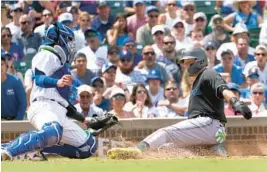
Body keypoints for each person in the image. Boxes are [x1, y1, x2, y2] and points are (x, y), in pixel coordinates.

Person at [108, 47, 252, 158]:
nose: (186, 66)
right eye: (185, 63)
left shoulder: (208, 74)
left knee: (164, 133)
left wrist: (236, 102)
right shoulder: (197, 81)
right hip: (211, 130)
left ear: (199, 60)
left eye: (189, 62)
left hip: (209, 123)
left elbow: (223, 89)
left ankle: (137, 151)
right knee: (168, 148)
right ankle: (218, 149)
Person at [1, 22, 100, 160]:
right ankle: (7, 150)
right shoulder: (46, 54)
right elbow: (40, 78)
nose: (71, 45)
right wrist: (57, 82)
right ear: (59, 39)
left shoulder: (61, 64)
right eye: (69, 39)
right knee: (53, 130)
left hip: (59, 111)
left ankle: (41, 150)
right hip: (43, 106)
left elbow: (65, 105)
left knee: (88, 146)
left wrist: (85, 120)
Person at [1, 52, 27, 120]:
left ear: (6, 66)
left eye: (1, 64)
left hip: (14, 119)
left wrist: (17, 122)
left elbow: (23, 103)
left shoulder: (16, 81)